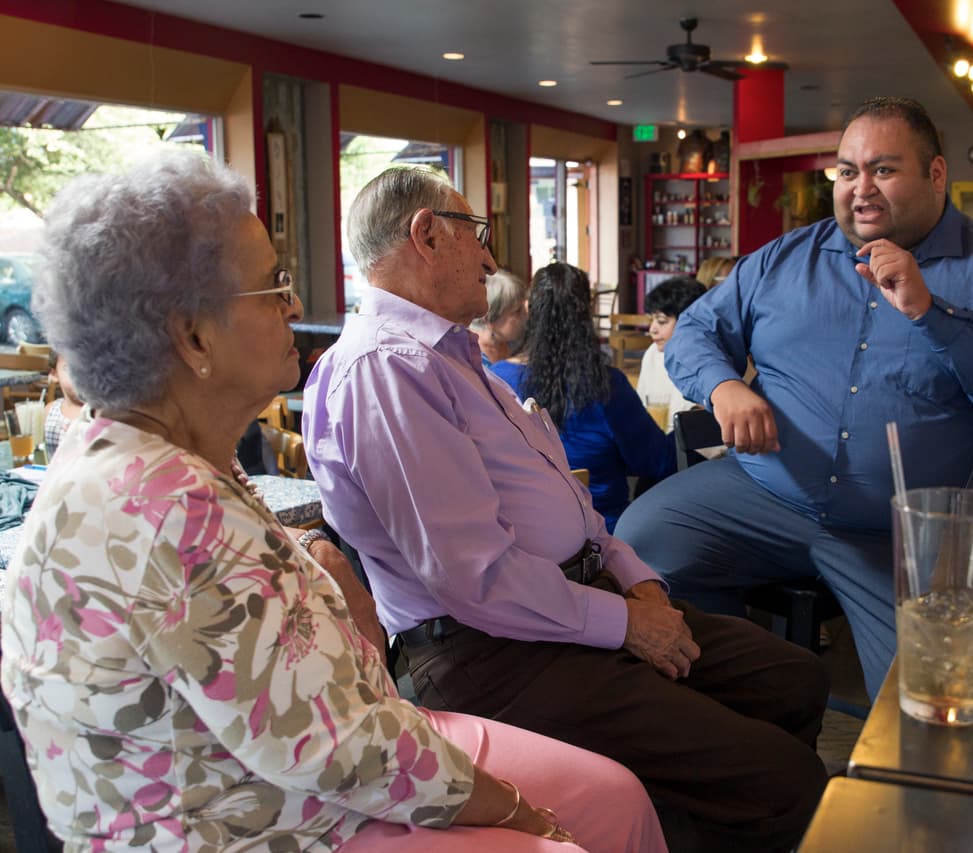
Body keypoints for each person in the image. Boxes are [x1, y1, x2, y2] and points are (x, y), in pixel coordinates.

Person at [1, 152, 666, 852]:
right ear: (193, 337)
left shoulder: (164, 453)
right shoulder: (169, 505)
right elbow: (337, 750)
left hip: (325, 760)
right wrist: (512, 809)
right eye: (270, 286)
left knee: (614, 799)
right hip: (264, 820)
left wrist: (311, 553)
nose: (293, 303)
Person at [303, 166, 830, 853]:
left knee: (793, 679)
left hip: (573, 604)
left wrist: (635, 577)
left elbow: (572, 504)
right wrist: (626, 624)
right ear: (426, 235)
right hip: (491, 649)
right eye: (477, 233)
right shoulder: (385, 368)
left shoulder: (454, 358)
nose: (490, 258)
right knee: (780, 776)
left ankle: (704, 818)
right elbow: (476, 580)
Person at [616, 97, 973, 700]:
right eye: (847, 171)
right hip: (765, 494)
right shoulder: (784, 260)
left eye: (884, 170)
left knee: (929, 694)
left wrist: (931, 312)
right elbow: (696, 333)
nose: (860, 189)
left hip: (899, 529)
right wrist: (724, 386)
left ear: (936, 175)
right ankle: (751, 705)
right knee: (640, 548)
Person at [490, 262, 675, 532]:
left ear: (530, 310)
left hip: (527, 538)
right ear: (587, 313)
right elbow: (656, 461)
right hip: (605, 537)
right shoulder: (606, 385)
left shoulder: (497, 380)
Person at [635, 275, 706, 432]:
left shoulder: (709, 360)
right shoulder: (653, 354)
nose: (652, 329)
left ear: (688, 320)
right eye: (651, 320)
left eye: (661, 321)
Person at [469, 269, 528, 365]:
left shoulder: (509, 342)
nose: (525, 314)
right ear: (489, 317)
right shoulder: (472, 355)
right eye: (517, 311)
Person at [42, 352, 84, 459]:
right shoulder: (50, 411)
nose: (79, 375)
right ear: (54, 374)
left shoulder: (98, 414)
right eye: (70, 368)